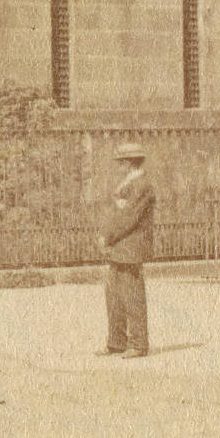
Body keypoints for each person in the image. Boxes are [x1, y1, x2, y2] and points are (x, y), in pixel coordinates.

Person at [99, 144, 155, 358]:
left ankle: (139, 344)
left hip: (131, 246)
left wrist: (107, 236)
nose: (118, 166)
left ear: (130, 163)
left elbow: (128, 217)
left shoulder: (141, 185)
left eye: (121, 162)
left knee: (132, 296)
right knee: (114, 294)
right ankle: (116, 342)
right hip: (120, 245)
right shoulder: (130, 183)